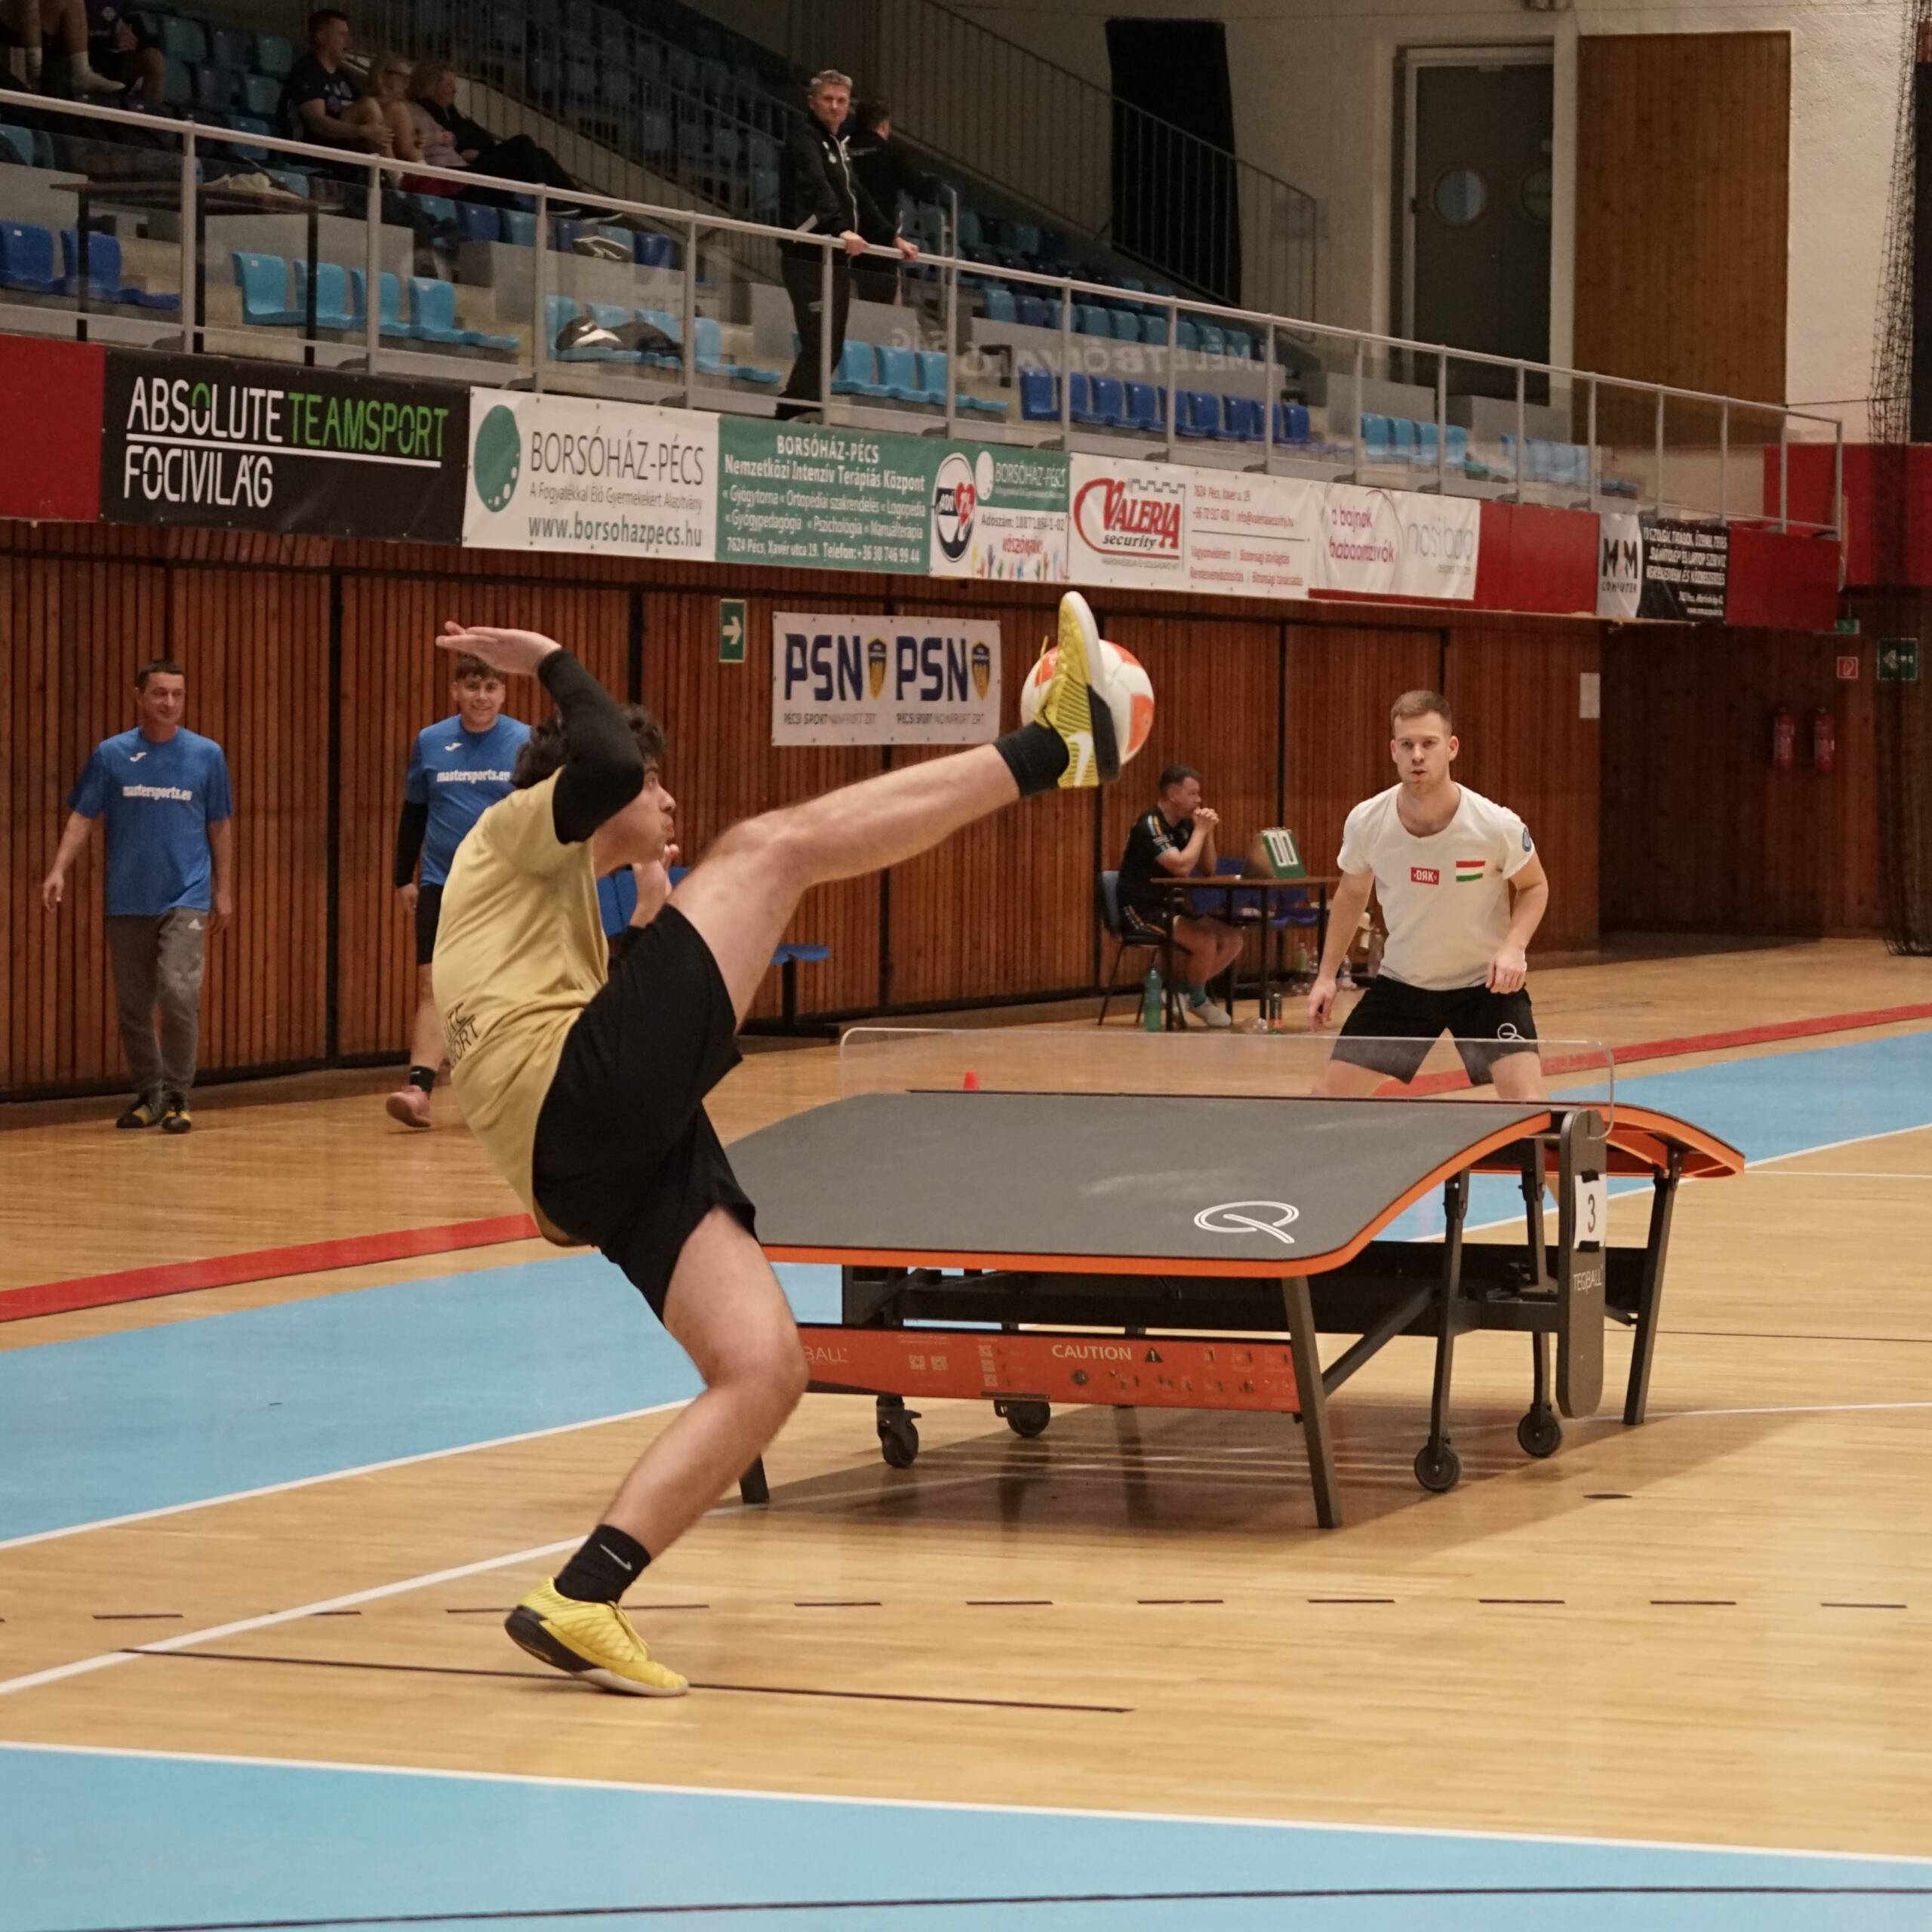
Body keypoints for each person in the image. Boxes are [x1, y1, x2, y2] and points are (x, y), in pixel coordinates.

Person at [432, 590, 1131, 1695]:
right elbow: (601, 759)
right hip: (577, 1100)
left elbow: (630, 918)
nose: (667, 798)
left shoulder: (552, 901)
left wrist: (651, 904)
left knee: (765, 1368)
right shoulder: (509, 831)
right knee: (771, 846)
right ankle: (1055, 750)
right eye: (654, 784)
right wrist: (551, 658)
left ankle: (583, 1596)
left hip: (586, 1163)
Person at [1307, 691, 1549, 1100]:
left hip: (1485, 989)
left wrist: (1514, 947)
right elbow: (1351, 894)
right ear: (1393, 751)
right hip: (1403, 985)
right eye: (1407, 745)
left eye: (1428, 743)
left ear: (1451, 748)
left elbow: (1534, 886)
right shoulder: (1367, 820)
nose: (1417, 755)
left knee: (1529, 1106)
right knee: (1327, 1099)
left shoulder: (1495, 824)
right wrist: (1327, 976)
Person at [38, 660, 233, 1134]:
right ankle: (151, 1093)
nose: (169, 703)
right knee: (133, 1005)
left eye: (177, 694)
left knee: (179, 990)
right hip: (128, 897)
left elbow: (220, 823)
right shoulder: (112, 754)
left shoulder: (207, 755)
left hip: (186, 894)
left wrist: (224, 889)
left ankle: (179, 1095)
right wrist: (59, 869)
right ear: (139, 697)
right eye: (160, 693)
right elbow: (83, 815)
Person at [386, 653, 530, 1131]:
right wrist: (402, 876)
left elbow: (540, 815)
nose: (481, 697)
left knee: (502, 988)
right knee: (433, 984)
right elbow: (414, 811)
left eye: (490, 687)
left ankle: (507, 1087)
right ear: (455, 691)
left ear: (503, 693)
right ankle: (418, 1090)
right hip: (442, 883)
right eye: (472, 687)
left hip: (505, 888)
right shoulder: (431, 742)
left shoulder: (525, 742)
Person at [775, 68, 915, 419]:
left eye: (841, 100)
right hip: (807, 255)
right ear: (812, 102)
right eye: (827, 99)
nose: (835, 106)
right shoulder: (804, 138)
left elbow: (859, 195)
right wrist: (840, 230)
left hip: (835, 258)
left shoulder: (839, 144)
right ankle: (791, 413)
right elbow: (815, 186)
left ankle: (797, 411)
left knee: (832, 345)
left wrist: (891, 236)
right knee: (819, 342)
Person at [1115, 763, 1243, 1029]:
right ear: (1173, 794)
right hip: (1142, 910)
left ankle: (1181, 993)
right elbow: (1182, 867)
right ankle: (1198, 999)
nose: (1199, 800)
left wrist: (1206, 833)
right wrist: (1200, 831)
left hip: (1174, 906)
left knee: (1233, 939)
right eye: (1193, 793)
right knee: (1206, 941)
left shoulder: (1184, 825)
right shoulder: (1150, 825)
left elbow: (1208, 869)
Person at [404, 60, 582, 198]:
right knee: (523, 143)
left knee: (541, 154)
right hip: (459, 171)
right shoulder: (422, 110)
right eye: (449, 84)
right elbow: (443, 140)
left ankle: (577, 200)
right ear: (431, 85)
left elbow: (485, 139)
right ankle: (546, 199)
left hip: (475, 161)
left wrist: (461, 141)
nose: (454, 90)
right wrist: (458, 141)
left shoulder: (453, 112)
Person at [845, 100, 939, 306]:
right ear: (884, 125)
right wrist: (935, 183)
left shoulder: (843, 148)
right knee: (881, 308)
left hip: (846, 235)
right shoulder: (890, 152)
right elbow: (921, 189)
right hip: (881, 237)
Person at [280, 11, 393, 161]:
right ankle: (395, 173)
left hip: (345, 149)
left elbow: (362, 110)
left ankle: (414, 168)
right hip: (314, 151)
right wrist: (361, 131)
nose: (349, 41)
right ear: (321, 37)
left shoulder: (344, 76)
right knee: (369, 105)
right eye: (342, 35)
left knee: (395, 109)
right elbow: (317, 122)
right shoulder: (306, 71)